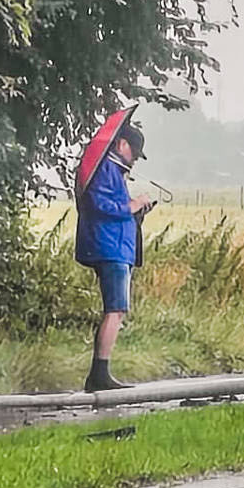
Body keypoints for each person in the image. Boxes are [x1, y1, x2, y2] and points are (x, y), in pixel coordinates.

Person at [75, 121, 153, 391]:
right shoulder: (105, 169)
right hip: (110, 247)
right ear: (122, 145)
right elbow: (99, 204)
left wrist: (137, 210)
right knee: (116, 310)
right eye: (134, 152)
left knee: (116, 310)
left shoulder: (113, 170)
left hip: (116, 245)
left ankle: (101, 373)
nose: (134, 159)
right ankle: (99, 375)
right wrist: (133, 204)